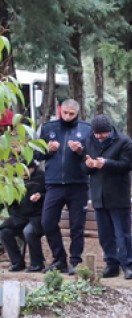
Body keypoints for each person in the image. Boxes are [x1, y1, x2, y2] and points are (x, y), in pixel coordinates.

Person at [35, 99, 91, 275]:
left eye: (71, 114)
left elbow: (92, 157)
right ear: (60, 111)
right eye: (64, 113)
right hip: (54, 183)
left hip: (78, 184)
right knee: (48, 222)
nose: (67, 117)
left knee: (77, 225)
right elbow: (36, 155)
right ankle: (59, 259)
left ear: (77, 113)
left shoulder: (86, 129)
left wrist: (80, 151)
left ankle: (75, 260)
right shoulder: (48, 128)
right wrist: (48, 150)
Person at [83, 115, 132, 279]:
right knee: (105, 235)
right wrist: (89, 165)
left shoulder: (123, 141)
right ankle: (111, 264)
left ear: (110, 130)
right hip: (98, 195)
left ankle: (127, 265)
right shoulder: (89, 141)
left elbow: (127, 165)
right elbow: (83, 165)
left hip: (118, 195)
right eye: (96, 133)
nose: (99, 137)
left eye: (103, 133)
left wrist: (105, 163)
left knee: (122, 234)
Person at [0, 161, 46, 272]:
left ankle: (37, 264)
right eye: (22, 170)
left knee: (29, 232)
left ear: (33, 168)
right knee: (5, 232)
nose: (25, 173)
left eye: (28, 169)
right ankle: (17, 262)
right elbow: (9, 200)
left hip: (36, 216)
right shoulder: (14, 181)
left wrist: (40, 196)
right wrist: (13, 212)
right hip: (19, 217)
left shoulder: (41, 178)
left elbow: (50, 196)